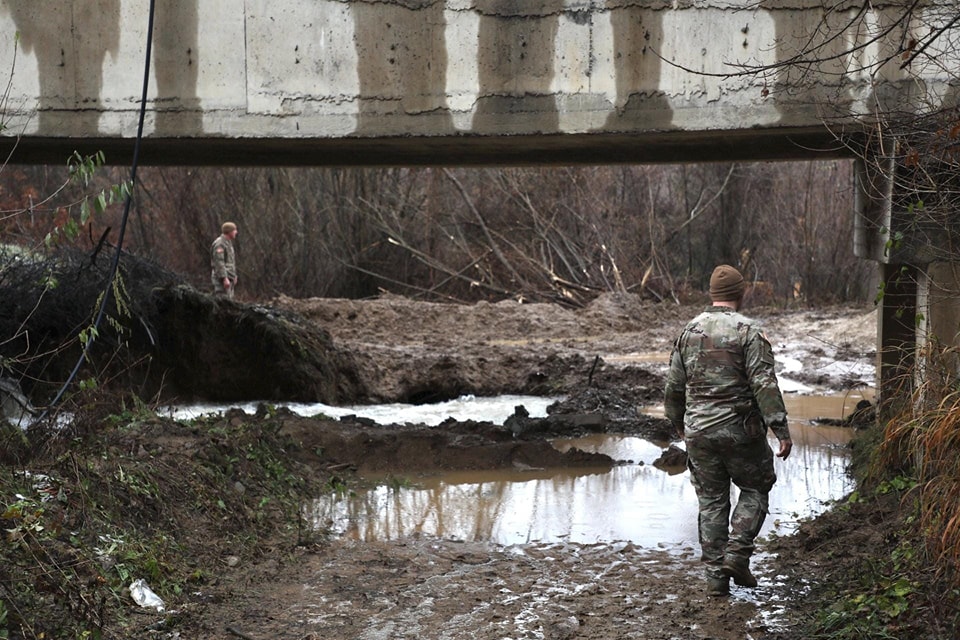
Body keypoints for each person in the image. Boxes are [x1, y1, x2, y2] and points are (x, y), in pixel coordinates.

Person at [664, 264, 793, 597]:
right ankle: (737, 555)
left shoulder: (688, 331)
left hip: (698, 434)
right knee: (755, 487)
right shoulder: (749, 332)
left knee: (711, 502)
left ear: (711, 293)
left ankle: (715, 581)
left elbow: (674, 387)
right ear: (741, 293)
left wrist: (680, 425)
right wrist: (780, 428)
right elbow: (764, 384)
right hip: (740, 431)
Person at [210, 222, 238, 298]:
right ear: (229, 231)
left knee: (229, 302)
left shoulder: (228, 243)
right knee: (222, 302)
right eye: (234, 230)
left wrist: (234, 275)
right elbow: (219, 262)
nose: (236, 232)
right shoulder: (220, 244)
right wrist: (224, 278)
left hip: (229, 278)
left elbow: (230, 262)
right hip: (221, 280)